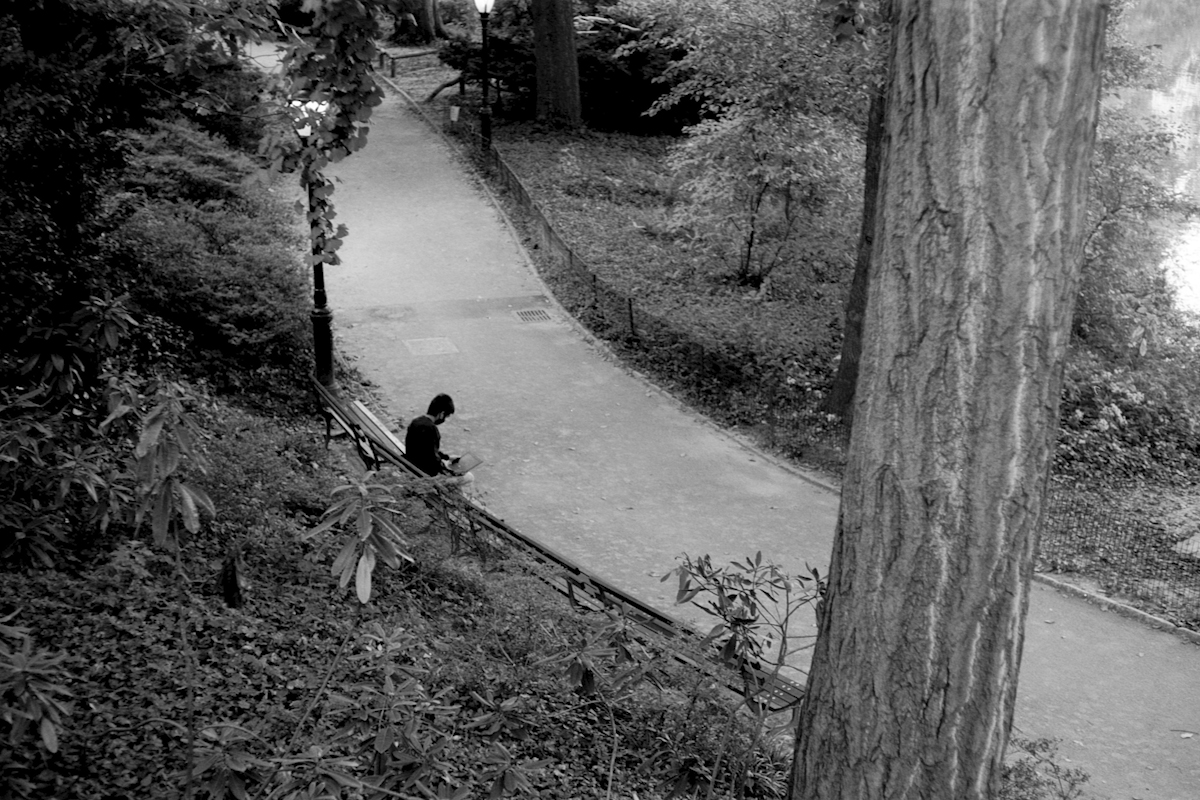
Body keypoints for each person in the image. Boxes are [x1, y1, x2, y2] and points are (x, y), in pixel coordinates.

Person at [404, 393, 475, 491]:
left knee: (452, 470)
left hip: (412, 465)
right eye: (446, 416)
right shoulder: (431, 429)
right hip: (426, 477)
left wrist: (447, 458)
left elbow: (427, 450)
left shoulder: (415, 422)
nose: (444, 419)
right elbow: (433, 462)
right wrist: (450, 472)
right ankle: (460, 501)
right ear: (441, 414)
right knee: (469, 477)